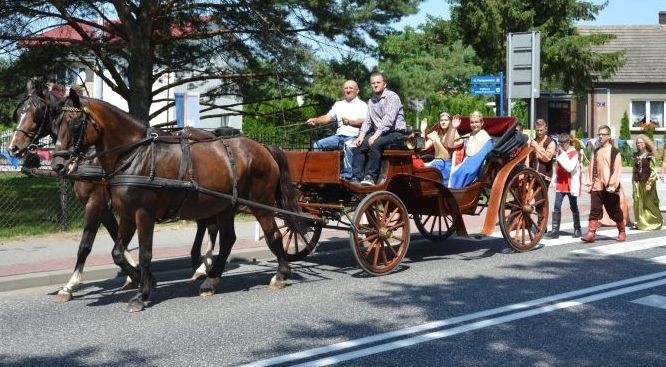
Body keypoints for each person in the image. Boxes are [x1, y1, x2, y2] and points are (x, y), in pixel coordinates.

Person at [350, 72, 408, 186]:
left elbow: (388, 119)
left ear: (384, 84)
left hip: (396, 132)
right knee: (359, 145)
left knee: (376, 143)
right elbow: (367, 121)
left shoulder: (392, 97)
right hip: (380, 132)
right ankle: (356, 177)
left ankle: (371, 177)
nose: (375, 85)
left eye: (378, 82)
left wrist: (376, 135)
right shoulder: (371, 101)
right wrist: (361, 136)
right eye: (373, 83)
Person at [307, 80, 368, 179]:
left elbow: (363, 122)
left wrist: (349, 122)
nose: (348, 90)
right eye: (346, 88)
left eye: (351, 88)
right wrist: (315, 120)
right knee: (317, 145)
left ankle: (347, 175)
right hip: (338, 137)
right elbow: (327, 118)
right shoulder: (338, 104)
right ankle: (321, 172)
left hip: (354, 137)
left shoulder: (363, 105)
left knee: (348, 146)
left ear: (357, 90)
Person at [582, 125, 625, 242]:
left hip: (609, 187)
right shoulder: (596, 151)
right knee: (594, 210)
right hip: (597, 185)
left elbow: (617, 169)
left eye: (603, 134)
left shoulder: (615, 152)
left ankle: (622, 230)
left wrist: (612, 185)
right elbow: (591, 167)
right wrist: (589, 183)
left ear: (609, 136)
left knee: (614, 212)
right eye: (599, 134)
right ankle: (591, 233)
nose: (600, 136)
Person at [547, 133, 582, 239]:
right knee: (557, 206)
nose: (561, 146)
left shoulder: (574, 153)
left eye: (562, 143)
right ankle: (555, 230)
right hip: (561, 183)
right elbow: (556, 169)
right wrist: (553, 181)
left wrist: (562, 154)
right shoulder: (560, 154)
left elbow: (569, 167)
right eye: (559, 143)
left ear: (567, 143)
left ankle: (577, 229)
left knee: (573, 207)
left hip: (570, 184)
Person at [447, 110, 493, 188]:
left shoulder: (486, 139)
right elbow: (450, 145)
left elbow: (479, 160)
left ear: (482, 123)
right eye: (472, 122)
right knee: (446, 168)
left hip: (474, 168)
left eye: (476, 122)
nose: (474, 124)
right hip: (464, 163)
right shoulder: (468, 136)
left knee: (461, 172)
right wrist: (454, 128)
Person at [422, 112, 463, 186]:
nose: (443, 122)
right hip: (436, 163)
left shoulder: (454, 135)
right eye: (441, 120)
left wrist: (436, 140)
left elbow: (446, 157)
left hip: (446, 165)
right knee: (419, 165)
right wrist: (422, 130)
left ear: (450, 122)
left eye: (446, 120)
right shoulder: (437, 134)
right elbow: (423, 147)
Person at [631, 134, 662, 230]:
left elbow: (653, 170)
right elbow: (634, 169)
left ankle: (654, 222)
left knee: (649, 203)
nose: (638, 144)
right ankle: (640, 222)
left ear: (645, 143)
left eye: (640, 142)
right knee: (638, 202)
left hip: (647, 182)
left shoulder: (650, 155)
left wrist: (649, 183)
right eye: (637, 143)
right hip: (637, 182)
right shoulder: (636, 155)